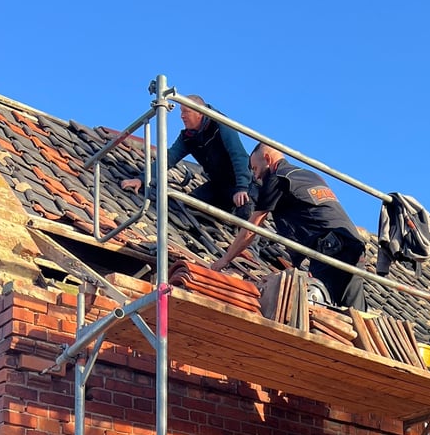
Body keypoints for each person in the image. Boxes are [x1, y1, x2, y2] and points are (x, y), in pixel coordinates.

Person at [210, 143, 367, 311]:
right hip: (353, 245)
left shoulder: (278, 178)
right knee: (354, 314)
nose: (255, 176)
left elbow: (252, 228)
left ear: (268, 159)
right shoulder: (307, 175)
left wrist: (225, 260)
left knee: (322, 309)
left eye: (255, 168)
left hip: (331, 248)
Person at [121, 94, 253, 218]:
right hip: (219, 185)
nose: (182, 116)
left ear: (200, 113)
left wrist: (242, 187)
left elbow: (239, 156)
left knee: (245, 209)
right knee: (190, 206)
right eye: (181, 112)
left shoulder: (221, 125)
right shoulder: (188, 137)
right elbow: (169, 158)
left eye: (186, 112)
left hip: (242, 184)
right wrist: (142, 178)